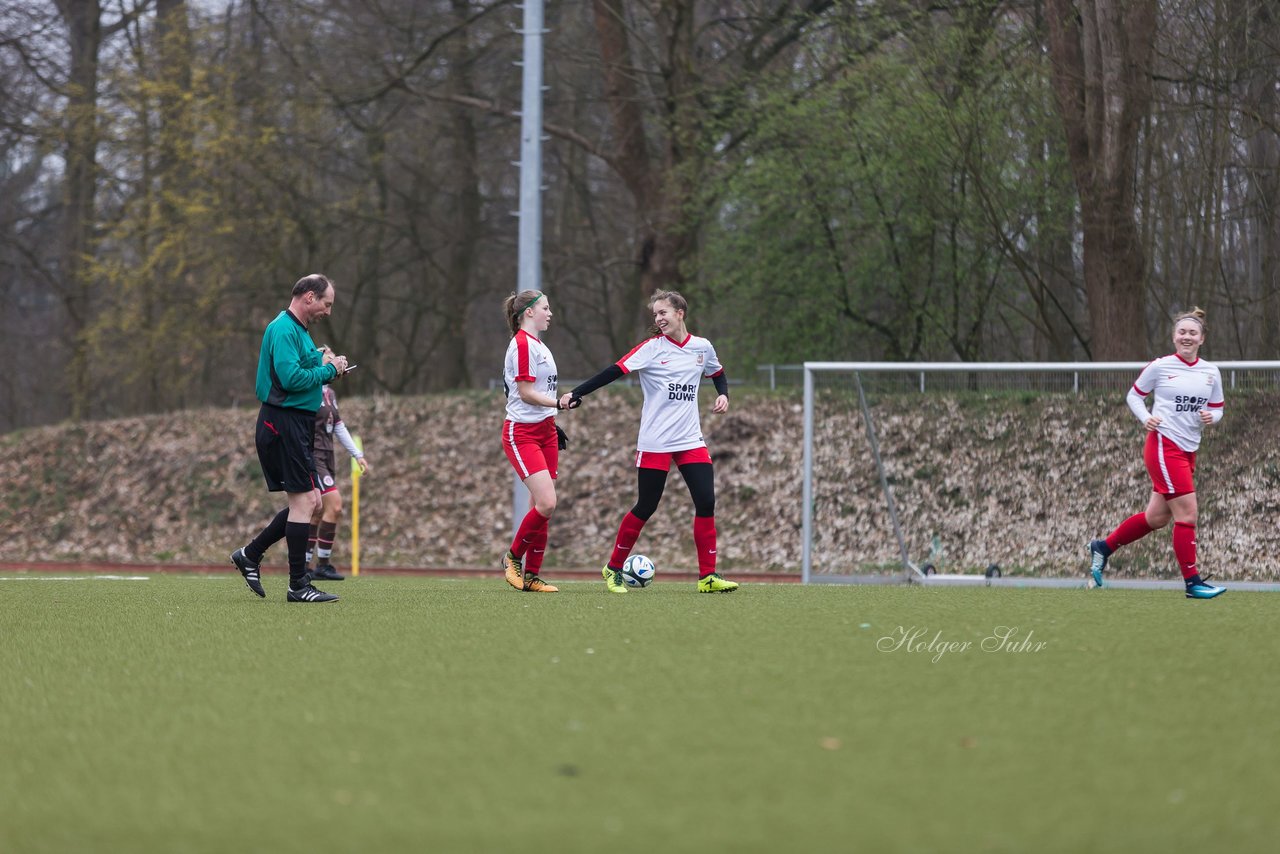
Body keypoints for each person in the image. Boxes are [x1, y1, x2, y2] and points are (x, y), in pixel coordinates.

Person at [560, 290, 739, 594]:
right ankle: (613, 568)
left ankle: (708, 577)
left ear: (680, 312)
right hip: (656, 440)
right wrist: (576, 393)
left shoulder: (702, 347)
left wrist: (722, 394)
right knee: (647, 505)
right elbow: (612, 372)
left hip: (689, 438)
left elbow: (717, 373)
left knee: (706, 501)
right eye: (655, 314)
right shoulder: (651, 349)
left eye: (663, 313)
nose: (658, 319)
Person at [1086, 307, 1226, 599]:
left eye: (1193, 333)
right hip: (1164, 445)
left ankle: (1103, 547)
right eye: (1182, 332)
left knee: (1156, 517)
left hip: (1189, 450)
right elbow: (1134, 395)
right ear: (1174, 337)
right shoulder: (1160, 366)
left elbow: (1218, 408)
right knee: (1187, 512)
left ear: (1202, 339)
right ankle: (1193, 583)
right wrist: (1145, 417)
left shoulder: (1211, 372)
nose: (1187, 337)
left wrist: (1212, 417)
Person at [230, 274, 351, 603]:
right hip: (282, 424)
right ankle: (298, 585)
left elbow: (302, 365)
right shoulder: (283, 328)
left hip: (295, 424)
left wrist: (325, 361)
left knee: (312, 501)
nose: (328, 311)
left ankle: (250, 555)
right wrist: (328, 371)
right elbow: (291, 377)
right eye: (326, 304)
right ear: (309, 297)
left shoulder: (298, 331)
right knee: (303, 504)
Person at [500, 289, 572, 593]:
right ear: (529, 312)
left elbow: (540, 392)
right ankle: (512, 558)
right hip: (523, 433)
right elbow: (527, 393)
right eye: (545, 307)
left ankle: (532, 576)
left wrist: (553, 420)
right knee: (546, 502)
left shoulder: (539, 345)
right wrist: (557, 404)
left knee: (541, 506)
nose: (550, 312)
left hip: (545, 430)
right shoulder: (522, 345)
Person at [305, 350, 371, 582]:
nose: (334, 357)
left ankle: (308, 566)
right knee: (336, 505)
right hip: (313, 456)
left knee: (317, 512)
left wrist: (357, 454)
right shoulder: (309, 389)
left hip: (328, 455)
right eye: (328, 354)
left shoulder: (330, 393)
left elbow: (339, 426)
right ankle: (321, 565)